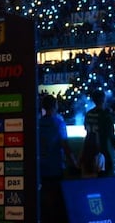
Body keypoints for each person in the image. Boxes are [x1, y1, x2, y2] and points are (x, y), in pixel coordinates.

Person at [38, 93, 76, 222]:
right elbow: (65, 146)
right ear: (55, 105)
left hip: (41, 168)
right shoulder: (59, 123)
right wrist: (74, 163)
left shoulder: (38, 123)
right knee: (56, 200)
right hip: (55, 167)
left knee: (44, 199)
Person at [83, 89, 115, 176]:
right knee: (105, 178)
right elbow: (111, 135)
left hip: (89, 149)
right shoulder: (105, 115)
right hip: (103, 151)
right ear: (104, 99)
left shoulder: (88, 114)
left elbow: (86, 129)